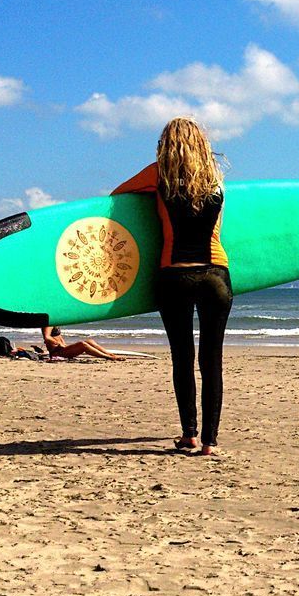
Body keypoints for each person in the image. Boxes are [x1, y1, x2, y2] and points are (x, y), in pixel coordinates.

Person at [112, 117, 232, 457]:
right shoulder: (215, 180)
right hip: (215, 275)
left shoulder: (157, 175)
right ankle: (209, 442)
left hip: (173, 275)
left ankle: (189, 434)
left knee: (183, 358)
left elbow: (117, 195)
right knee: (212, 361)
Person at [41, 326, 124, 361]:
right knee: (82, 344)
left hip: (63, 349)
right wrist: (59, 344)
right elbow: (47, 337)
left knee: (90, 341)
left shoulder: (55, 321)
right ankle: (108, 357)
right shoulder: (48, 324)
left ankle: (111, 354)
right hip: (57, 352)